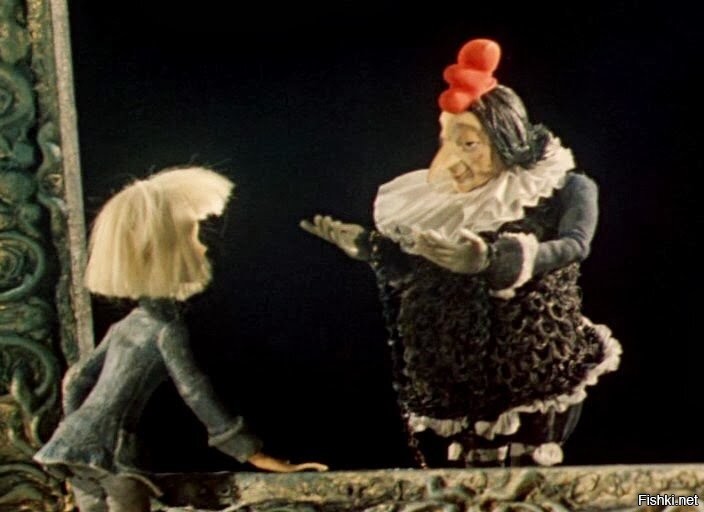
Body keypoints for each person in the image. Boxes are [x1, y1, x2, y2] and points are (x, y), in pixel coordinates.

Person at [301, 39, 620, 468]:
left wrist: (492, 261)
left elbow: (574, 245)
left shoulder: (564, 187)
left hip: (533, 357)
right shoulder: (444, 206)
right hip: (460, 366)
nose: (452, 160)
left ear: (504, 139)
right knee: (472, 474)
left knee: (530, 472)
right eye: (447, 140)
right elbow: (416, 272)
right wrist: (368, 247)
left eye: (468, 144)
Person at [35, 167, 327, 512]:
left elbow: (76, 379)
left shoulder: (126, 325)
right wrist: (255, 454)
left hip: (71, 448)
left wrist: (74, 429)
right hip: (111, 453)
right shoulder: (165, 331)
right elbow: (195, 392)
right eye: (193, 236)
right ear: (164, 251)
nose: (203, 247)